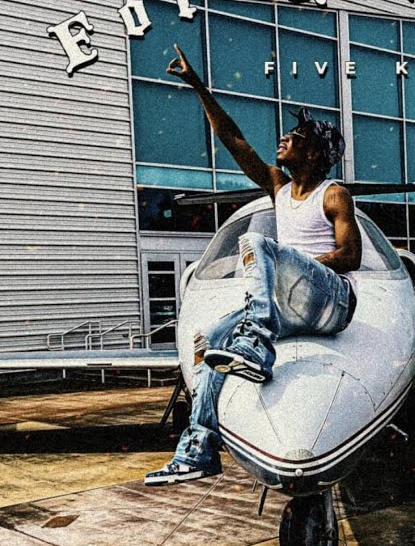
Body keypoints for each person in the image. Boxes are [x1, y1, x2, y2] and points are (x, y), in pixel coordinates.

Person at [145, 44, 362, 486]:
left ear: (315, 154)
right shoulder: (277, 185)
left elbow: (350, 256)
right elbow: (233, 139)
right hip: (292, 301)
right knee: (209, 342)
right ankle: (199, 448)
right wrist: (196, 85)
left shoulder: (334, 194)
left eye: (295, 138)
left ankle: (257, 346)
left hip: (333, 300)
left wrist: (292, 264)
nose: (283, 139)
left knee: (258, 242)